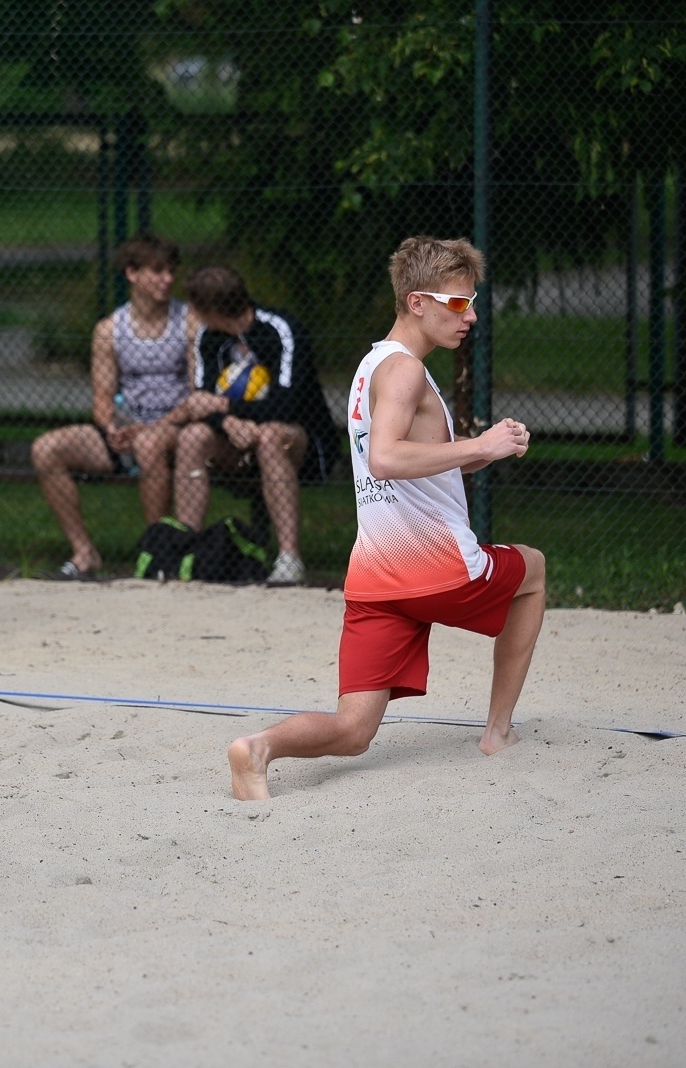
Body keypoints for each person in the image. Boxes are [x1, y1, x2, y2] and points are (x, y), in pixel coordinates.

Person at [226, 236, 545, 800]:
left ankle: (258, 749)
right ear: (416, 302)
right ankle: (497, 732)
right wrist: (482, 447)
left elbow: (413, 468)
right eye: (456, 304)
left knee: (353, 730)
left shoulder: (372, 365)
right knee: (534, 571)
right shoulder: (405, 373)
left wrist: (479, 449)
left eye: (471, 302)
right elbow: (388, 458)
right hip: (436, 568)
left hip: (375, 578)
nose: (469, 316)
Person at [161, 266, 339, 586]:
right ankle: (188, 551)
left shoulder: (281, 330)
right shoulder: (208, 337)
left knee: (270, 436)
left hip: (298, 439)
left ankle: (289, 559)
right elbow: (202, 404)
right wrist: (227, 421)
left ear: (212, 310)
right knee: (192, 436)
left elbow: (288, 405)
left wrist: (227, 407)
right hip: (233, 436)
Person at [31, 234, 196, 578]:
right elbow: (102, 399)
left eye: (170, 271)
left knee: (149, 444)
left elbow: (197, 395)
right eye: (157, 271)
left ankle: (158, 553)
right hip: (128, 429)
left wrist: (154, 428)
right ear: (132, 273)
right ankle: (84, 552)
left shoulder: (189, 322)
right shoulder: (108, 330)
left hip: (175, 430)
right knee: (46, 449)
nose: (168, 279)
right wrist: (112, 427)